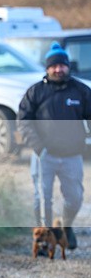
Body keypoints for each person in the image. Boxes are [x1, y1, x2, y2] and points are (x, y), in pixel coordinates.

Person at [18, 42, 91, 250]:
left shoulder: (81, 91)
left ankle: (66, 227)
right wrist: (38, 147)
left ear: (68, 66)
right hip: (44, 155)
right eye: (54, 66)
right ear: (47, 68)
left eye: (62, 65)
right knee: (42, 200)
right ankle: (44, 242)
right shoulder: (36, 92)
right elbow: (23, 120)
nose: (58, 69)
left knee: (75, 199)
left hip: (72, 155)